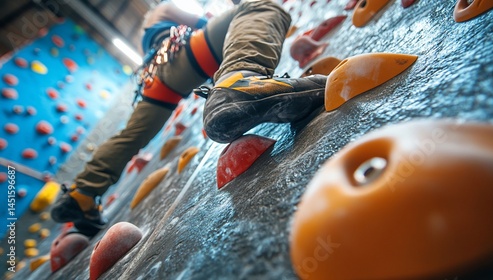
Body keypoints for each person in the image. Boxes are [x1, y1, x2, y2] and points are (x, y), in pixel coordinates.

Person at [50, 0, 327, 236]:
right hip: (182, 55)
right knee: (261, 6)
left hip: (157, 80)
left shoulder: (148, 36)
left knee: (131, 136)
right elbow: (214, 24)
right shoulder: (162, 10)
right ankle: (243, 76)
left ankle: (82, 194)